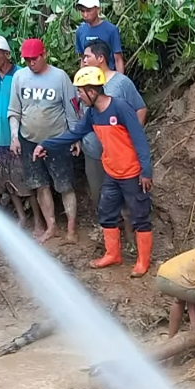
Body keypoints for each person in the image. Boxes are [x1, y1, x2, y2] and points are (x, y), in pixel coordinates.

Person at [33, 66, 153, 277]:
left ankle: (143, 261)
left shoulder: (120, 108)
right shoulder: (92, 114)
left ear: (92, 91)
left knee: (139, 216)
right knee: (106, 213)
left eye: (80, 91)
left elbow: (139, 139)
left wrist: (146, 171)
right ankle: (112, 254)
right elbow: (74, 134)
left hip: (132, 173)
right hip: (112, 172)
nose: (78, 96)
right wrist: (47, 144)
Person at [7, 38, 79, 244]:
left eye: (35, 58)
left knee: (65, 185)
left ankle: (71, 230)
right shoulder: (19, 77)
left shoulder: (60, 77)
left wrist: (75, 138)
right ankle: (51, 227)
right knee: (40, 185)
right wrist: (14, 136)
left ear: (44, 54)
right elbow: (14, 110)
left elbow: (71, 109)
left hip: (58, 139)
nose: (31, 63)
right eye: (27, 59)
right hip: (29, 139)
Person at [80, 38, 147, 247]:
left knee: (128, 199)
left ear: (100, 58)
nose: (82, 60)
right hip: (93, 152)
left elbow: (141, 108)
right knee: (100, 196)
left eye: (87, 56)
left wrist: (129, 137)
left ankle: (130, 239)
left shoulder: (121, 83)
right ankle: (112, 244)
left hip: (120, 156)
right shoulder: (83, 80)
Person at [0, 35, 43, 231]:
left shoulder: (21, 75)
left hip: (17, 137)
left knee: (27, 182)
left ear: (6, 54)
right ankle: (22, 217)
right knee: (7, 182)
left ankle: (39, 221)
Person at [74, 0, 124, 74]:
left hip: (107, 75)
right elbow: (83, 59)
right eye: (83, 11)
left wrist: (120, 81)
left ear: (97, 10)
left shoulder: (111, 30)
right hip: (90, 77)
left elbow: (117, 58)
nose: (85, 15)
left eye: (89, 11)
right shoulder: (80, 31)